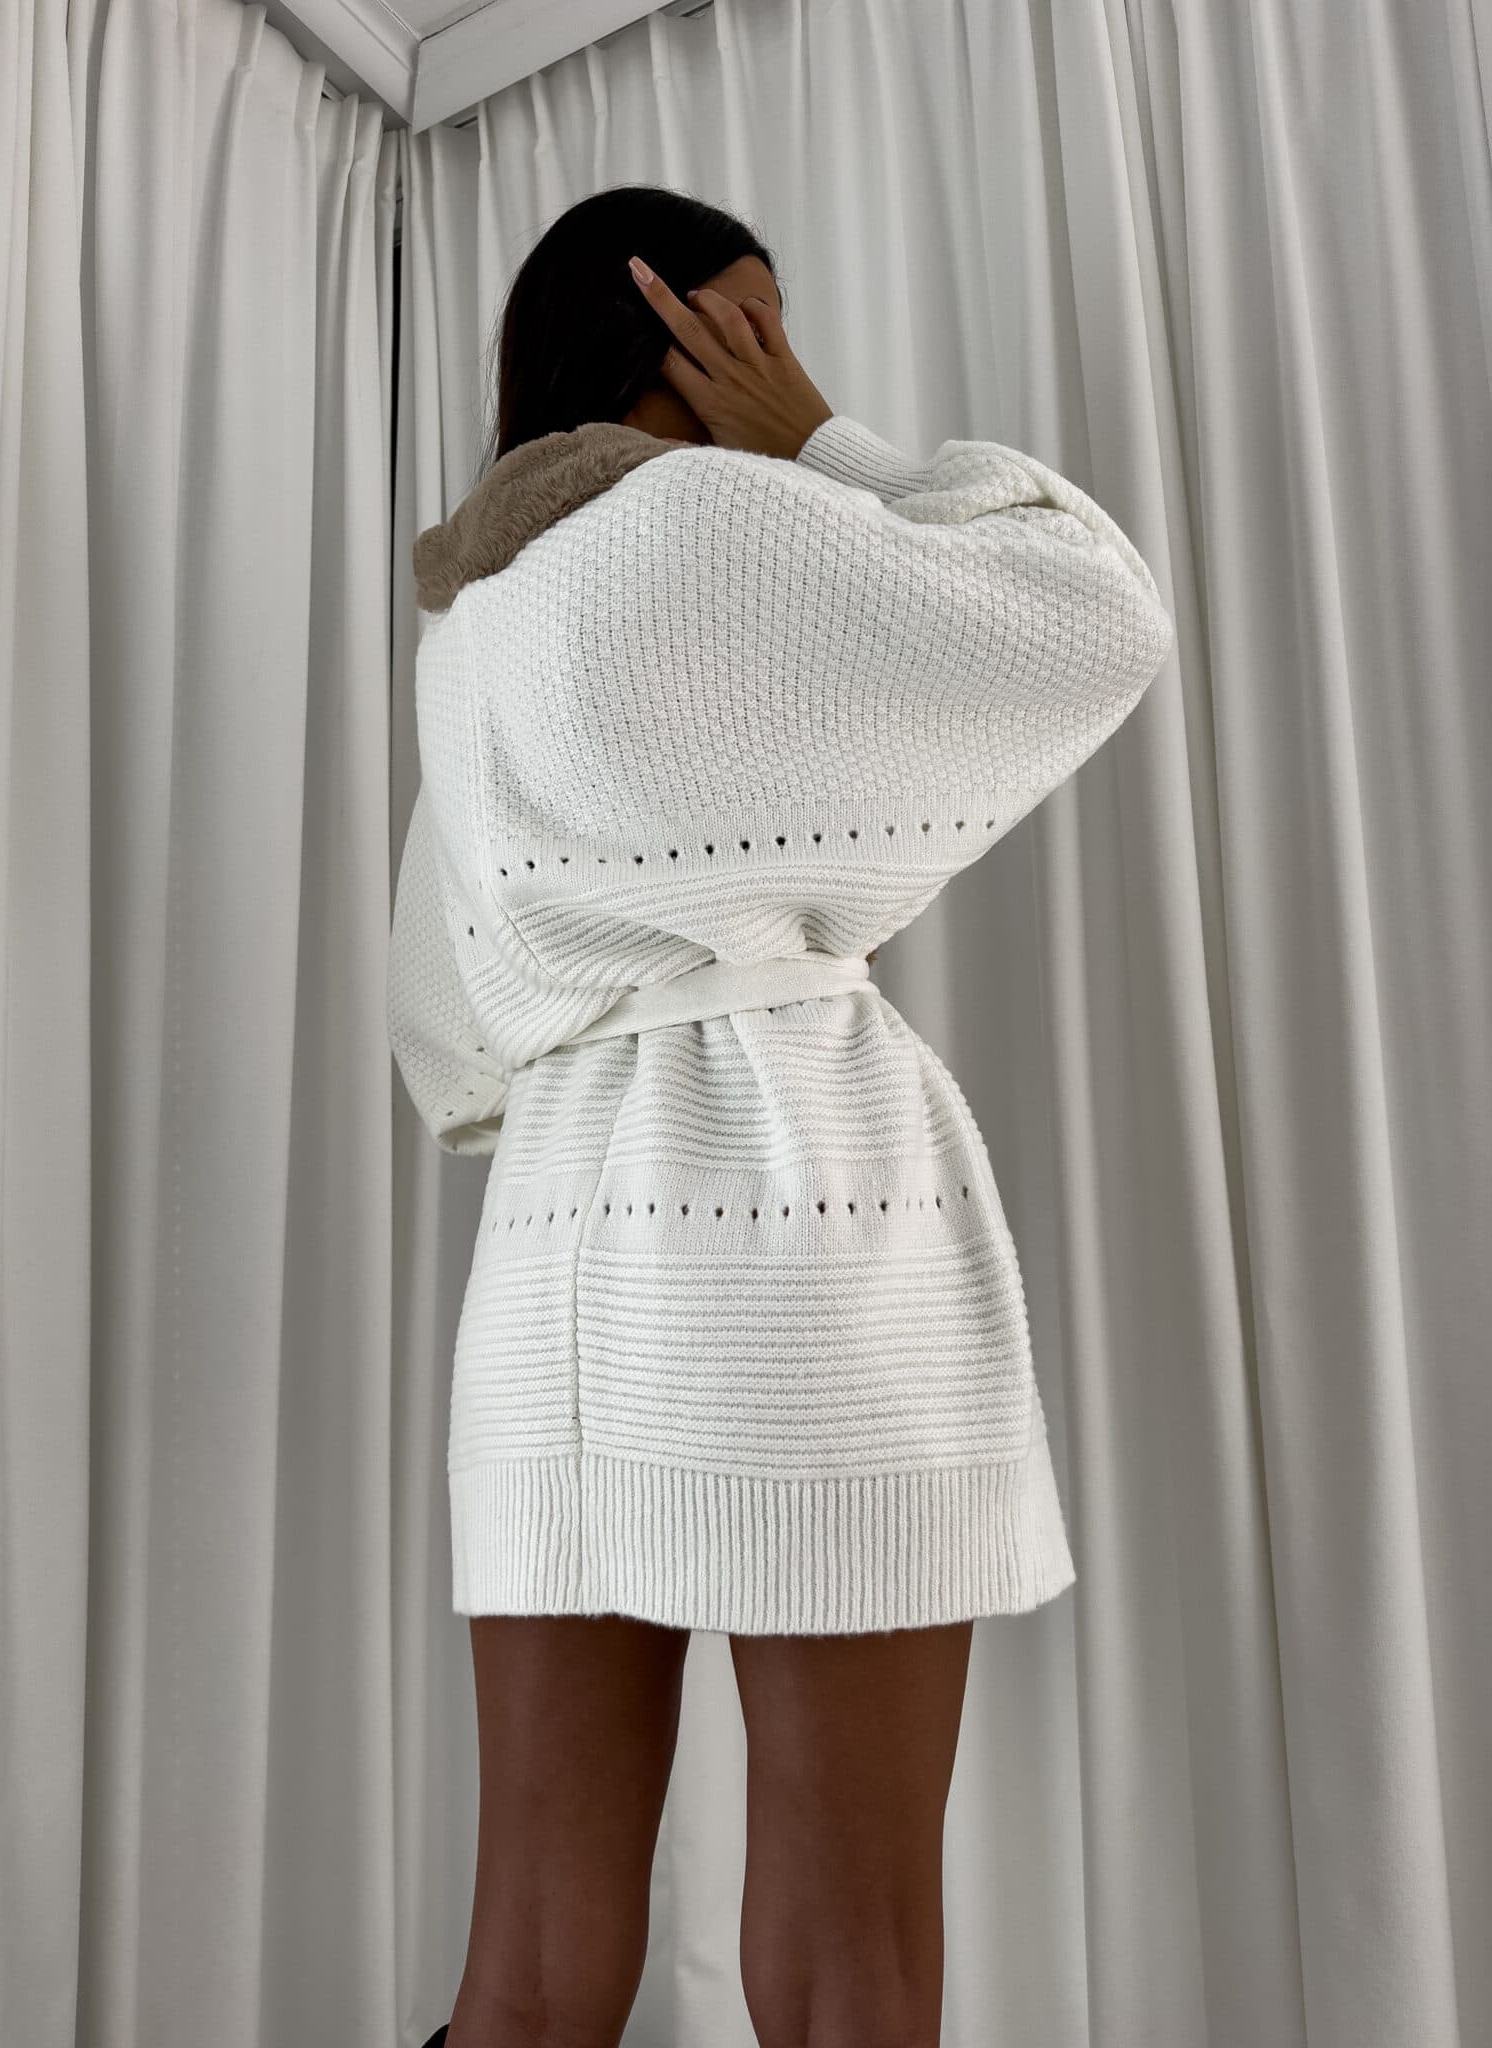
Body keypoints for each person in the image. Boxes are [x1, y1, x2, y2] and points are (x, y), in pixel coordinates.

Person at [394, 185, 1174, 2048]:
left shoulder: (472, 626)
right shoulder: (721, 524)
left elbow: (446, 1029)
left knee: (529, 1969)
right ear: (670, 331)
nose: (778, 358)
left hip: (557, 1270)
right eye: (754, 322)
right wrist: (828, 441)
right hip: (794, 1245)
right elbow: (1099, 616)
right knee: (850, 1962)